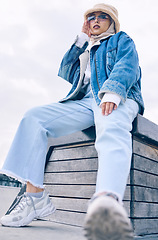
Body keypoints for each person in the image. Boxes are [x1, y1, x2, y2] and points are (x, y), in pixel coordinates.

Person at [0, 3, 144, 239]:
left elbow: (128, 66)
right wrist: (80, 39)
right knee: (33, 118)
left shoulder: (120, 40)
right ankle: (35, 199)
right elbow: (66, 70)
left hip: (118, 95)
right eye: (91, 18)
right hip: (85, 102)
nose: (96, 21)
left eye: (102, 17)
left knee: (111, 122)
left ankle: (107, 206)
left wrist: (113, 92)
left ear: (113, 22)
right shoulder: (88, 49)